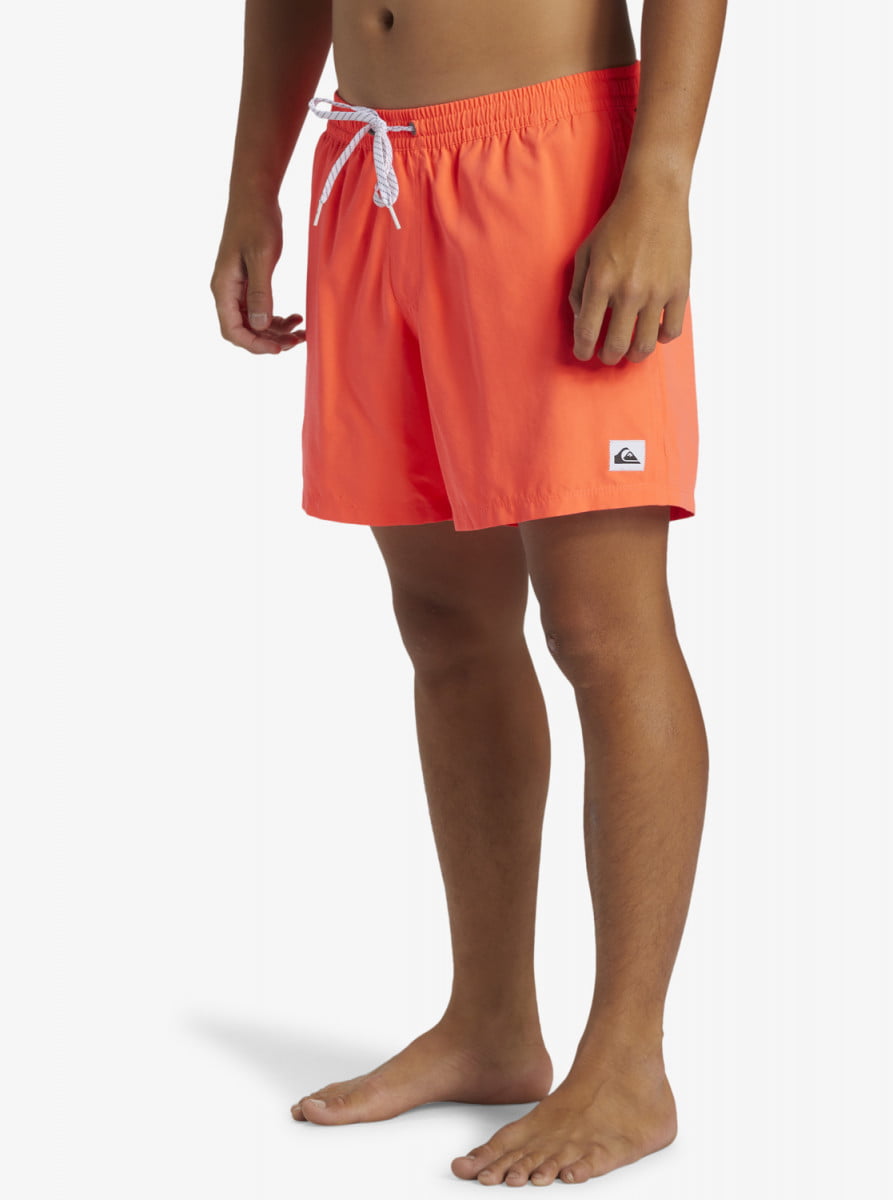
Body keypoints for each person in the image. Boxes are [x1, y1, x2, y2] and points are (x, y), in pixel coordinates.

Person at [210, 0, 724, 1186]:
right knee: (443, 624)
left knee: (600, 627)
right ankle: (490, 1023)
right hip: (373, 166)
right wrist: (252, 182)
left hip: (552, 159)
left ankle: (628, 1064)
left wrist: (658, 179)